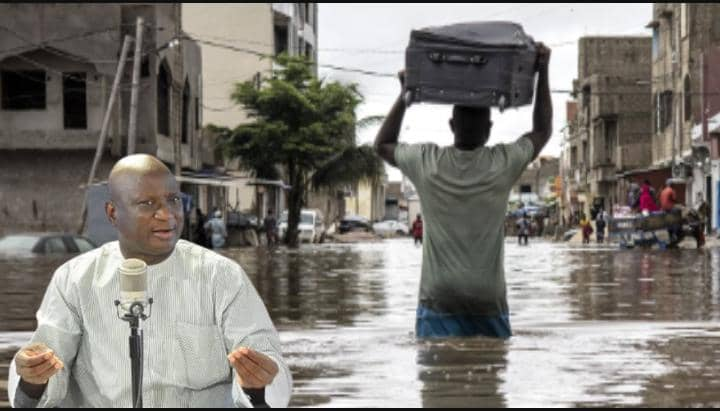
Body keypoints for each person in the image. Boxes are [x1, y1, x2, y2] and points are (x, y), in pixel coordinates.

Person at [8, 154, 292, 408]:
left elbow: (268, 370)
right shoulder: (74, 280)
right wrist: (34, 377)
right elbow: (42, 372)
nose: (167, 215)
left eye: (174, 200)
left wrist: (257, 383)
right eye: (147, 204)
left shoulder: (222, 277)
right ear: (112, 213)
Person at [374, 43, 552, 339]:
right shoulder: (502, 163)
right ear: (489, 129)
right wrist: (543, 71)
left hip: (439, 298)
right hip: (488, 299)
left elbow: (382, 144)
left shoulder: (427, 163)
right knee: (489, 377)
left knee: (437, 382)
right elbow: (543, 131)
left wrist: (405, 95)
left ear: (452, 125)